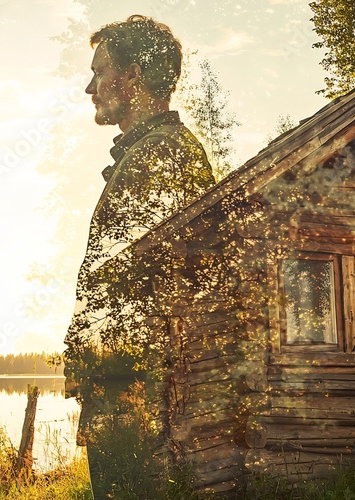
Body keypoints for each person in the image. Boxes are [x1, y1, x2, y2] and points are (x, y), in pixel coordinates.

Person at [63, 15, 215, 498]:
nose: (90, 86)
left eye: (100, 70)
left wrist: (118, 391)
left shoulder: (161, 155)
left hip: (138, 392)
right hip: (125, 387)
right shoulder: (150, 153)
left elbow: (148, 292)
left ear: (133, 74)